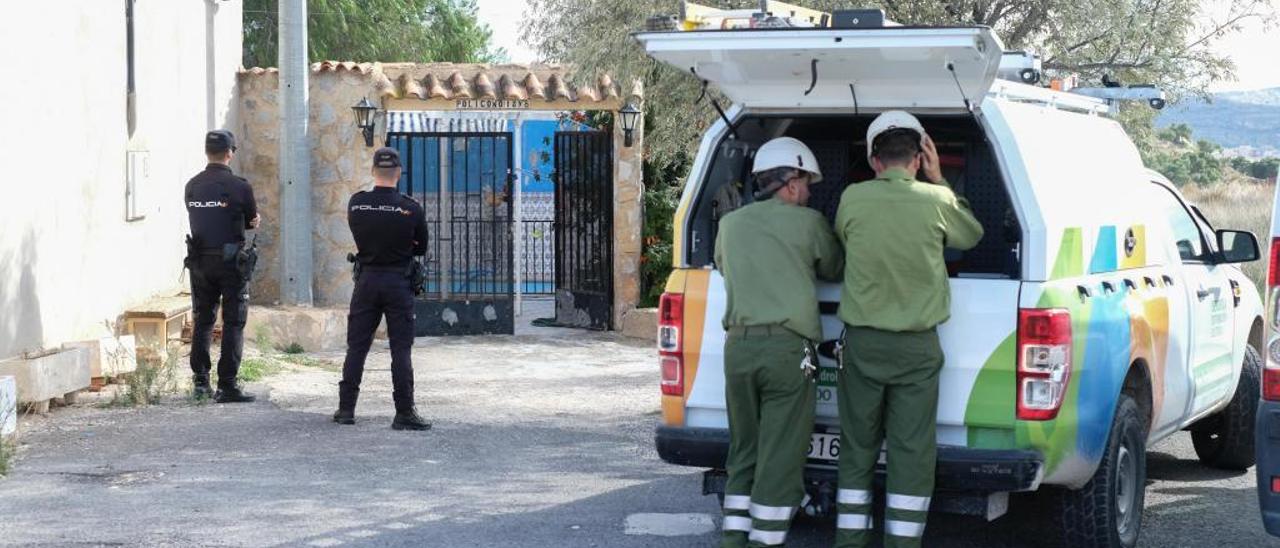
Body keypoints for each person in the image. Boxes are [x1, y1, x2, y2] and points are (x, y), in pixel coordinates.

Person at [832, 111, 984, 548]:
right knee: (911, 451)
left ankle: (849, 540)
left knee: (857, 448)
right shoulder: (937, 201)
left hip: (862, 346)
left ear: (874, 160)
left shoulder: (852, 199)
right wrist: (939, 181)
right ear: (919, 159)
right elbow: (971, 236)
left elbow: (844, 237)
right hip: (917, 350)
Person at [713, 137, 843, 547]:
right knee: (781, 453)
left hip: (737, 350)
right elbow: (835, 267)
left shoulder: (730, 225)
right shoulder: (808, 223)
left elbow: (721, 264)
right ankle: (765, 540)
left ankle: (734, 538)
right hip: (789, 353)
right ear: (790, 183)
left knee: (744, 448)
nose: (808, 193)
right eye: (806, 184)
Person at [334, 147, 431, 431]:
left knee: (357, 347)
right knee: (400, 349)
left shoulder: (357, 204)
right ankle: (404, 412)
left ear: (373, 172)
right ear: (398, 173)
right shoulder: (410, 207)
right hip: (398, 282)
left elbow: (360, 235)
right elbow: (421, 247)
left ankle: (346, 409)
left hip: (366, 282)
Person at [184, 129, 260, 403]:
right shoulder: (240, 187)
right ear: (230, 153)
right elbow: (252, 220)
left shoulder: (192, 185)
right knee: (234, 321)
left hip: (200, 262)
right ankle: (227, 384)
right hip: (231, 263)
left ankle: (200, 382)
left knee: (202, 320)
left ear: (207, 152)